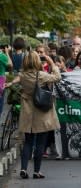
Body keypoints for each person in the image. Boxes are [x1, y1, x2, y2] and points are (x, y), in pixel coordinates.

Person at [8, 51, 61, 179]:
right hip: (42, 111)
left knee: (28, 142)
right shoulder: (41, 75)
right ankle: (37, 171)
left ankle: (23, 169)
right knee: (40, 143)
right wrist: (51, 63)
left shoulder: (23, 75)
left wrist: (10, 83)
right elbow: (57, 77)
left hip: (28, 112)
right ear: (38, 61)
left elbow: (17, 79)